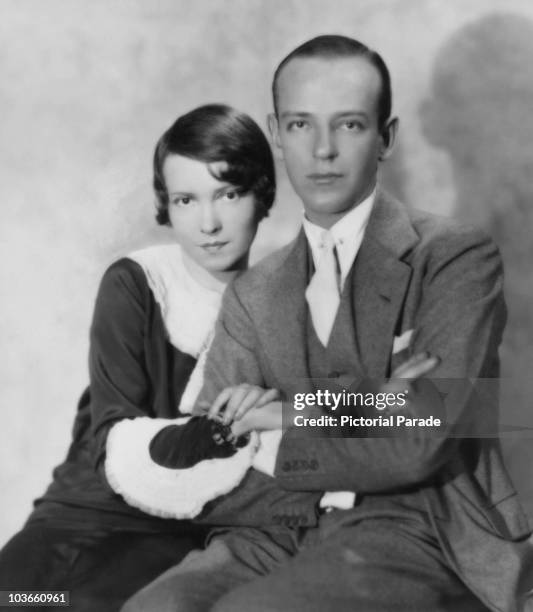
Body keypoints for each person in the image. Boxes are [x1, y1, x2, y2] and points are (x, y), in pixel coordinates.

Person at [125, 35, 533, 612]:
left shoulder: (455, 258)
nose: (321, 151)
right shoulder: (253, 293)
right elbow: (208, 457)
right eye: (299, 125)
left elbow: (419, 439)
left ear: (385, 137)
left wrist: (285, 415)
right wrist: (377, 401)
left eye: (347, 125)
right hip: (274, 528)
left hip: (422, 528)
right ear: (275, 133)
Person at [0, 103, 281, 611]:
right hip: (83, 512)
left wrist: (389, 398)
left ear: (261, 194)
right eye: (186, 200)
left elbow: (318, 422)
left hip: (179, 530)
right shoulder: (137, 282)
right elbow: (117, 441)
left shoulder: (284, 302)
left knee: (82, 606)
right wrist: (226, 431)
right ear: (166, 207)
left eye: (229, 193)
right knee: (17, 598)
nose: (209, 222)